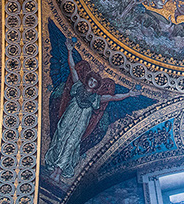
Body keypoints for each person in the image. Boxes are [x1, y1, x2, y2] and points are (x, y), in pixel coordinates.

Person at [45, 37, 138, 182]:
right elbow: (72, 68)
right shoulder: (78, 86)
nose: (92, 82)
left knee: (72, 143)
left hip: (80, 123)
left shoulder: (96, 98)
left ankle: (59, 170)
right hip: (68, 117)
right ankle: (53, 163)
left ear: (96, 85)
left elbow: (113, 97)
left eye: (95, 82)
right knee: (61, 137)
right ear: (88, 80)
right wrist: (69, 51)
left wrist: (128, 94)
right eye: (91, 80)